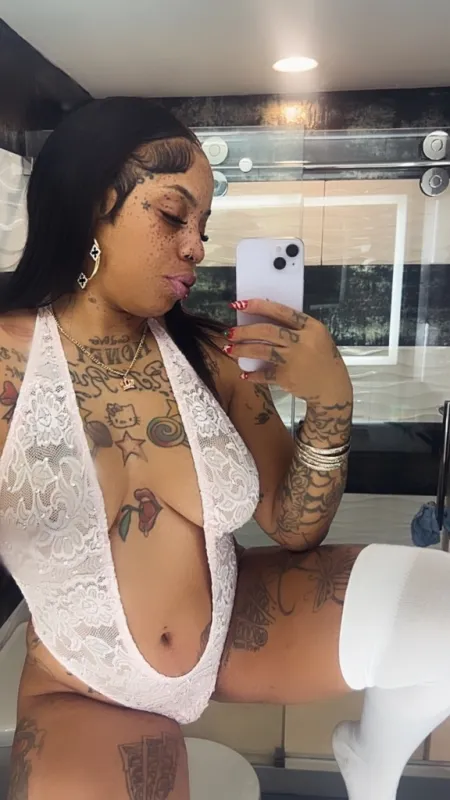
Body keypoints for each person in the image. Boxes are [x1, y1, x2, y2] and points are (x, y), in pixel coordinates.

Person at [0, 98, 449, 800]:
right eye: (172, 214)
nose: (196, 247)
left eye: (203, 226)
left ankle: (373, 766)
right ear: (93, 204)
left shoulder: (209, 356)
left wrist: (331, 403)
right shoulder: (8, 362)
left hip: (237, 626)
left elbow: (293, 527)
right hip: (84, 688)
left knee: (442, 603)